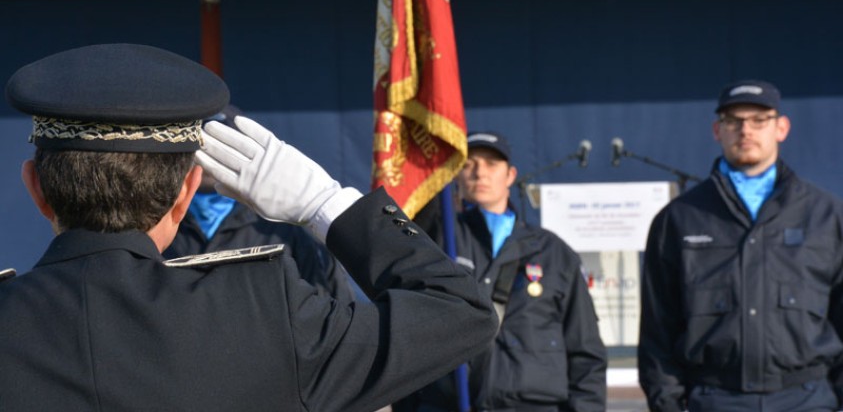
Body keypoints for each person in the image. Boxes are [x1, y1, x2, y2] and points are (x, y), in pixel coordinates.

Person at [0, 43, 498, 412]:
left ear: (34, 188)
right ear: (187, 192)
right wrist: (324, 203)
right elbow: (461, 312)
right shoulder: (263, 313)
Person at [638, 79, 843, 412]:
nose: (746, 130)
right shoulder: (680, 220)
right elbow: (657, 333)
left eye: (759, 120)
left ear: (782, 128)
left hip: (807, 399)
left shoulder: (826, 216)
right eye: (734, 121)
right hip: (715, 399)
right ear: (717, 131)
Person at [397, 132, 607, 412]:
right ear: (456, 175)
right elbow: (409, 334)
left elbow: (584, 348)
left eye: (491, 164)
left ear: (510, 175)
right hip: (451, 404)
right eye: (469, 164)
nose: (480, 173)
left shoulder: (553, 252)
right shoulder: (437, 242)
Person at [164, 104, 354, 302]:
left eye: (226, 145)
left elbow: (332, 307)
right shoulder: (156, 222)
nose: (210, 154)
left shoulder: (285, 231)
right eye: (201, 142)